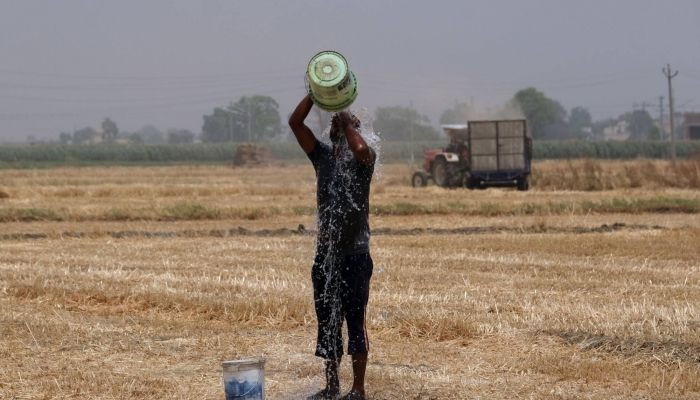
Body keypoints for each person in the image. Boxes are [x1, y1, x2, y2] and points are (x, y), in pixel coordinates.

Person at [288, 95, 376, 400]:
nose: (336, 130)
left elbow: (361, 147)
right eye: (335, 127)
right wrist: (316, 94)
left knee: (355, 322)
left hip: (355, 255)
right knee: (327, 322)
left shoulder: (364, 160)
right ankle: (332, 387)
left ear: (354, 130)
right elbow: (295, 123)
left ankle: (358, 389)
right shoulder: (322, 157)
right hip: (326, 257)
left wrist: (344, 114)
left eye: (344, 128)